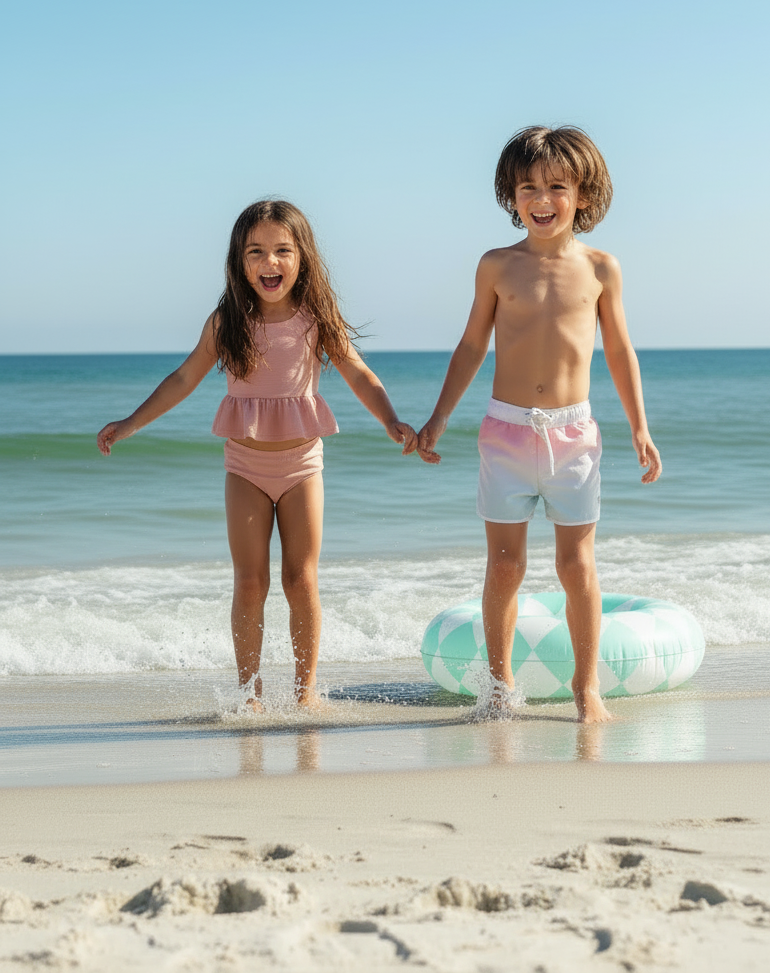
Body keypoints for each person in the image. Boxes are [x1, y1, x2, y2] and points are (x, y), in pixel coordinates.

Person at [97, 199, 417, 709]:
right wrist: (131, 423)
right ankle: (249, 692)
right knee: (250, 582)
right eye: (257, 252)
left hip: (302, 467)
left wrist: (391, 419)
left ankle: (305, 689)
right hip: (244, 468)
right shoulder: (227, 322)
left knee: (300, 578)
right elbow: (183, 378)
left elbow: (359, 373)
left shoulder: (318, 319)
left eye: (282, 251)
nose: (270, 263)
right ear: (239, 261)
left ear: (302, 256)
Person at [416, 126, 661, 723]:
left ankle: (586, 688)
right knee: (505, 565)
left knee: (577, 565)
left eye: (556, 185)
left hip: (574, 436)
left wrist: (639, 427)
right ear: (511, 195)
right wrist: (438, 418)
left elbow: (621, 351)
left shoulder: (602, 268)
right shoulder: (497, 266)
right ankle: (498, 688)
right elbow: (472, 345)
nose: (542, 198)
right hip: (506, 433)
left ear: (583, 195)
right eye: (528, 187)